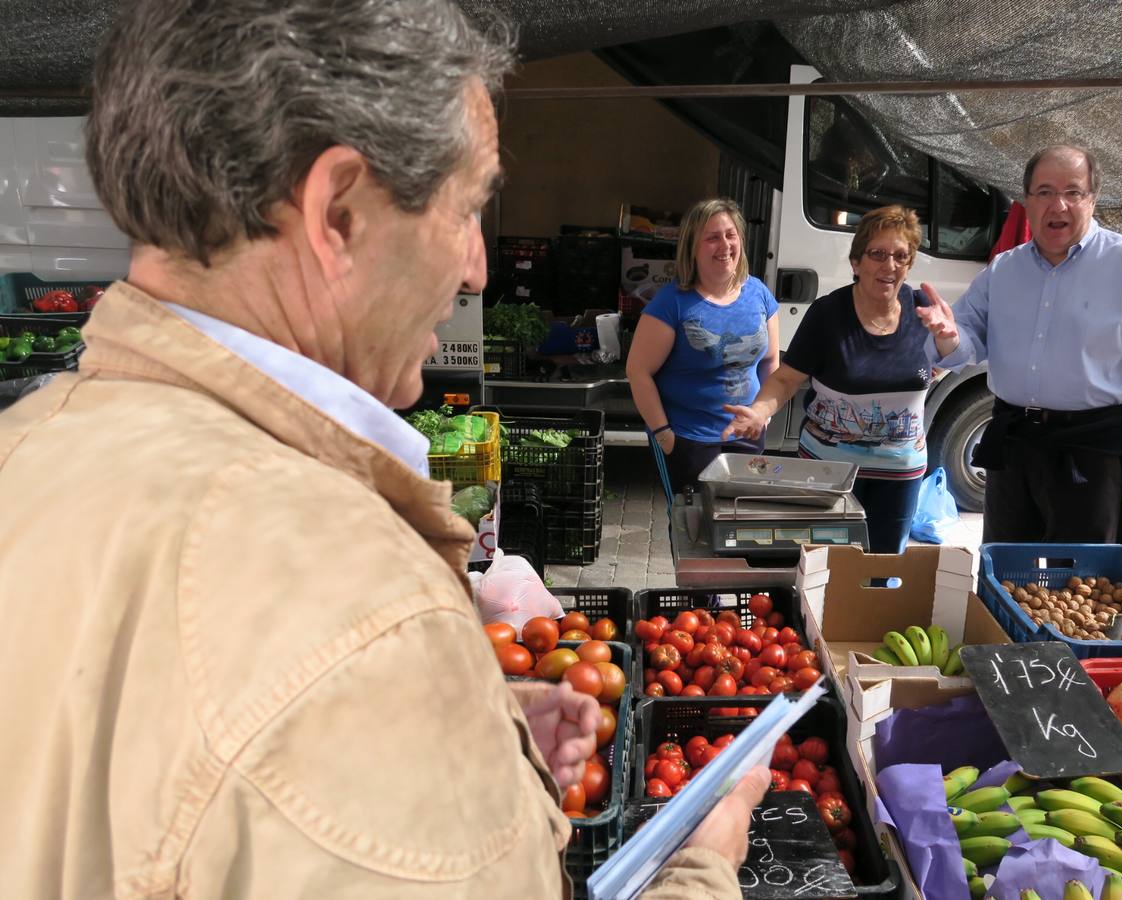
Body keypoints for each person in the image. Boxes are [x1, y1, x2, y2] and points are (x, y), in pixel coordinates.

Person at [0, 2, 767, 897]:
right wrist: (705, 864)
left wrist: (463, 726)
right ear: (340, 213)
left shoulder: (27, 449)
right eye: (469, 206)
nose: (478, 267)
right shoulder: (357, 608)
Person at [916, 144, 1122, 545]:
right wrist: (948, 336)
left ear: (1093, 199)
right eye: (1044, 192)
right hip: (1015, 446)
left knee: (1087, 587)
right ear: (1027, 201)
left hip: (1095, 451)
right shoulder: (1005, 269)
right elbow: (968, 337)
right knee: (1007, 575)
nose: (1057, 204)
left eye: (1073, 192)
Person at [723, 205, 934, 554]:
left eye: (901, 256)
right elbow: (787, 378)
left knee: (884, 568)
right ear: (856, 262)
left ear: (909, 264)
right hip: (828, 472)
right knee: (825, 565)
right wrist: (759, 411)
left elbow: (951, 356)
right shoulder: (828, 314)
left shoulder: (923, 309)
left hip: (900, 474)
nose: (889, 266)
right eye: (878, 254)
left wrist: (949, 345)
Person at [627, 198, 780, 493]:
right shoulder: (671, 303)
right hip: (690, 441)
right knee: (694, 531)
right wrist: (664, 435)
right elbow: (638, 371)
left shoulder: (759, 293)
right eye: (712, 238)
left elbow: (770, 361)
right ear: (692, 247)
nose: (724, 245)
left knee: (738, 526)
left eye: (730, 235)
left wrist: (764, 414)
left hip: (746, 437)